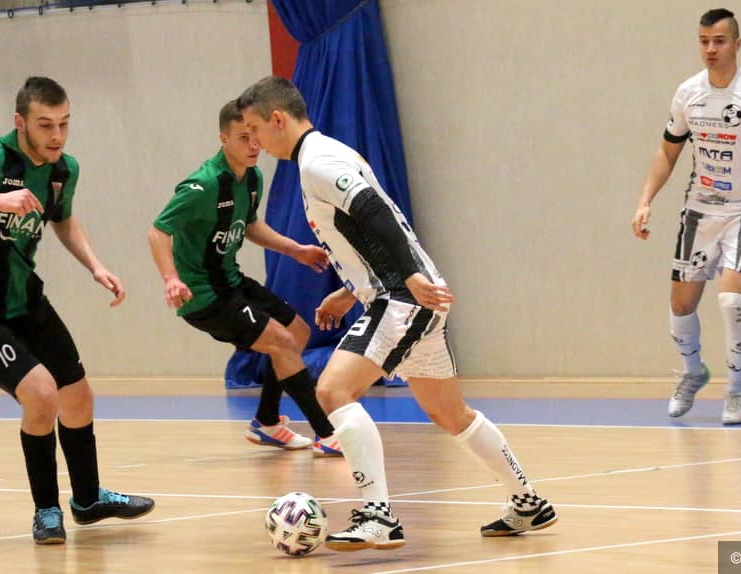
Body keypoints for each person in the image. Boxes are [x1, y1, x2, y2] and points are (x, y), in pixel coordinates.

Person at [237, 76, 557, 551]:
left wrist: (407, 276)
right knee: (449, 412)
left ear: (278, 119)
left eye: (255, 129)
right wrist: (351, 291)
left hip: (402, 297)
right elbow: (369, 231)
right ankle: (528, 501)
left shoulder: (318, 162)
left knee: (332, 390)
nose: (255, 142)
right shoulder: (327, 154)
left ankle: (378, 515)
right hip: (402, 293)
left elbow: (375, 214)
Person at [0, 77, 154, 544]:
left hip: (25, 300)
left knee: (77, 397)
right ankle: (46, 510)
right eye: (45, 125)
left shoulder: (63, 169)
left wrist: (95, 266)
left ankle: (88, 500)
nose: (57, 135)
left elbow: (62, 218)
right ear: (20, 122)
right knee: (41, 395)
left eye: (64, 123)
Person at [631, 9, 741, 425]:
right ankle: (693, 371)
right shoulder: (688, 94)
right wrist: (645, 200)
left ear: (737, 44)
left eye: (719, 41)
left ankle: (735, 392)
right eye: (704, 41)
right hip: (700, 210)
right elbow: (667, 152)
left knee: (732, 300)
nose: (711, 49)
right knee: (681, 305)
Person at [147, 100, 342, 457]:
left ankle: (267, 422)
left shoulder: (252, 178)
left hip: (232, 281)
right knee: (281, 342)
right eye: (242, 138)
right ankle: (326, 433)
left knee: (297, 332)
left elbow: (249, 225)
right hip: (203, 295)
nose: (253, 145)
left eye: (254, 135)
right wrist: (171, 279)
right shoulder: (202, 185)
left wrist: (296, 250)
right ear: (223, 139)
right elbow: (158, 231)